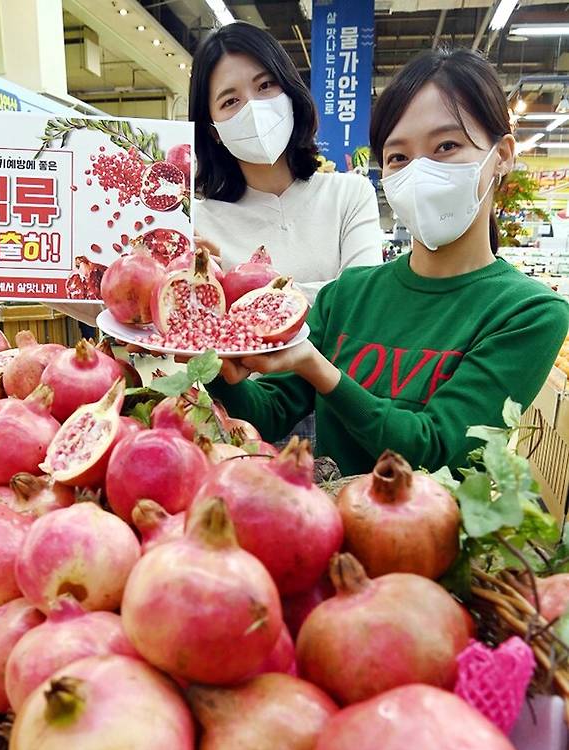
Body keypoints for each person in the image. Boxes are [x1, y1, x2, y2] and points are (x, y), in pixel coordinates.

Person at [208, 48, 569, 476]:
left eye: (446, 146)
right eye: (398, 157)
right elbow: (268, 411)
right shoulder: (348, 294)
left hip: (430, 535)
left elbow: (435, 448)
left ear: (503, 155)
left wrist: (319, 369)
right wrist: (207, 356)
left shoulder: (529, 313)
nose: (420, 172)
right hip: (332, 529)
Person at [191, 21, 383, 304]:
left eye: (265, 85)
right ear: (213, 131)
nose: (253, 108)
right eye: (230, 101)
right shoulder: (196, 224)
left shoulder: (349, 195)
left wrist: (235, 286)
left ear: (290, 94)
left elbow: (364, 302)